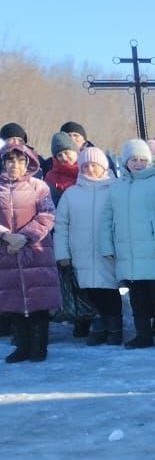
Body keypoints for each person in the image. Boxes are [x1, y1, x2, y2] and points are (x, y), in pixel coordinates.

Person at [101, 139, 155, 350]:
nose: (137, 163)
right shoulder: (117, 186)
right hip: (128, 252)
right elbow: (107, 219)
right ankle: (142, 335)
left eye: (142, 159)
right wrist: (107, 246)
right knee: (138, 297)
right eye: (133, 159)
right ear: (126, 162)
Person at [55, 147, 121, 346]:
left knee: (110, 291)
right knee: (89, 292)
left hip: (108, 252)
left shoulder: (116, 189)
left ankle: (115, 328)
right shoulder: (71, 194)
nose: (90, 169)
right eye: (86, 166)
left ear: (103, 167)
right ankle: (99, 325)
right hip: (80, 251)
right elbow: (61, 226)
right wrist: (62, 254)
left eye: (94, 165)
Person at [1, 143, 59, 362]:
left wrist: (24, 237)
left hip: (36, 251)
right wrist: (6, 236)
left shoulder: (39, 187)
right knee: (13, 300)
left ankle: (40, 346)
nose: (14, 165)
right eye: (10, 161)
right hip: (6, 251)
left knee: (39, 300)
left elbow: (47, 215)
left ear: (27, 163)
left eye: (19, 161)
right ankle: (22, 346)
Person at [45, 132, 80, 203]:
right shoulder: (51, 177)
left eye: (67, 153)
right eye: (60, 155)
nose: (64, 158)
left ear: (76, 153)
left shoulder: (87, 171)